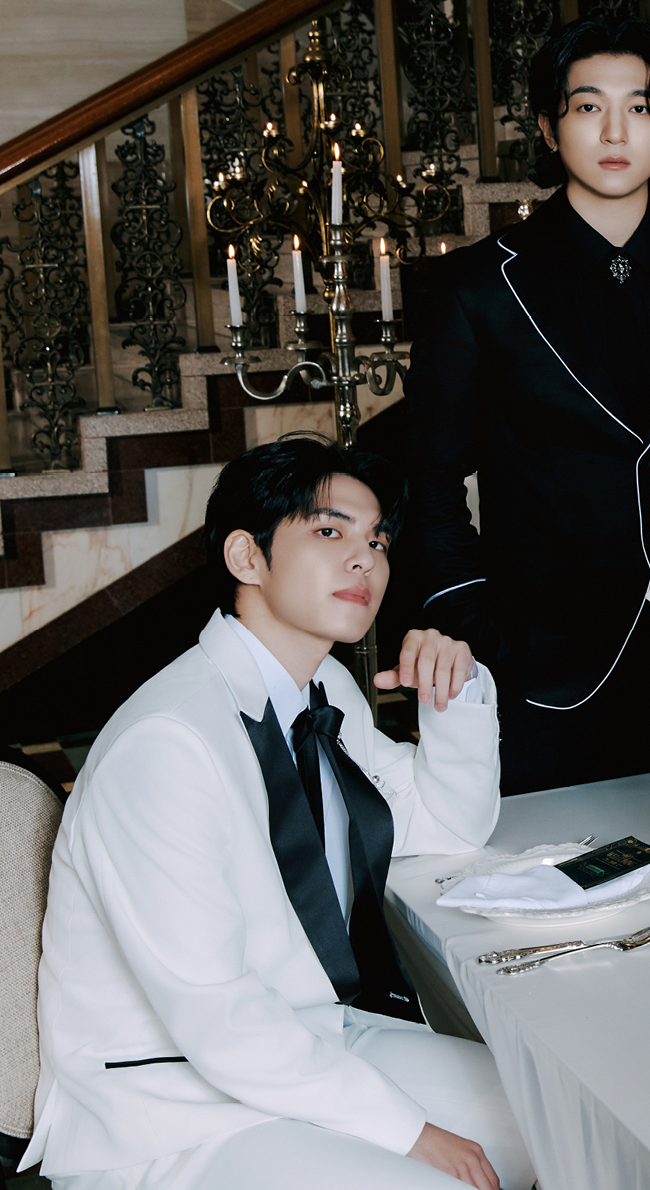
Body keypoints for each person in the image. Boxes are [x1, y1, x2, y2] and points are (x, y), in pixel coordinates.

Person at [25, 438, 530, 1190]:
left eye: (377, 541)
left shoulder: (323, 689)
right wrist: (412, 1132)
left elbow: (444, 827)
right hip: (169, 1106)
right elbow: (217, 1016)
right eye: (329, 531)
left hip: (312, 1033)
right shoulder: (167, 743)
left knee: (551, 1116)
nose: (365, 560)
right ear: (246, 557)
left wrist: (454, 690)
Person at [402, 17, 650, 794]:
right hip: (541, 663)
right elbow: (432, 482)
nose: (616, 132)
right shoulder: (477, 287)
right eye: (588, 107)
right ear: (548, 128)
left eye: (640, 107)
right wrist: (474, 625)